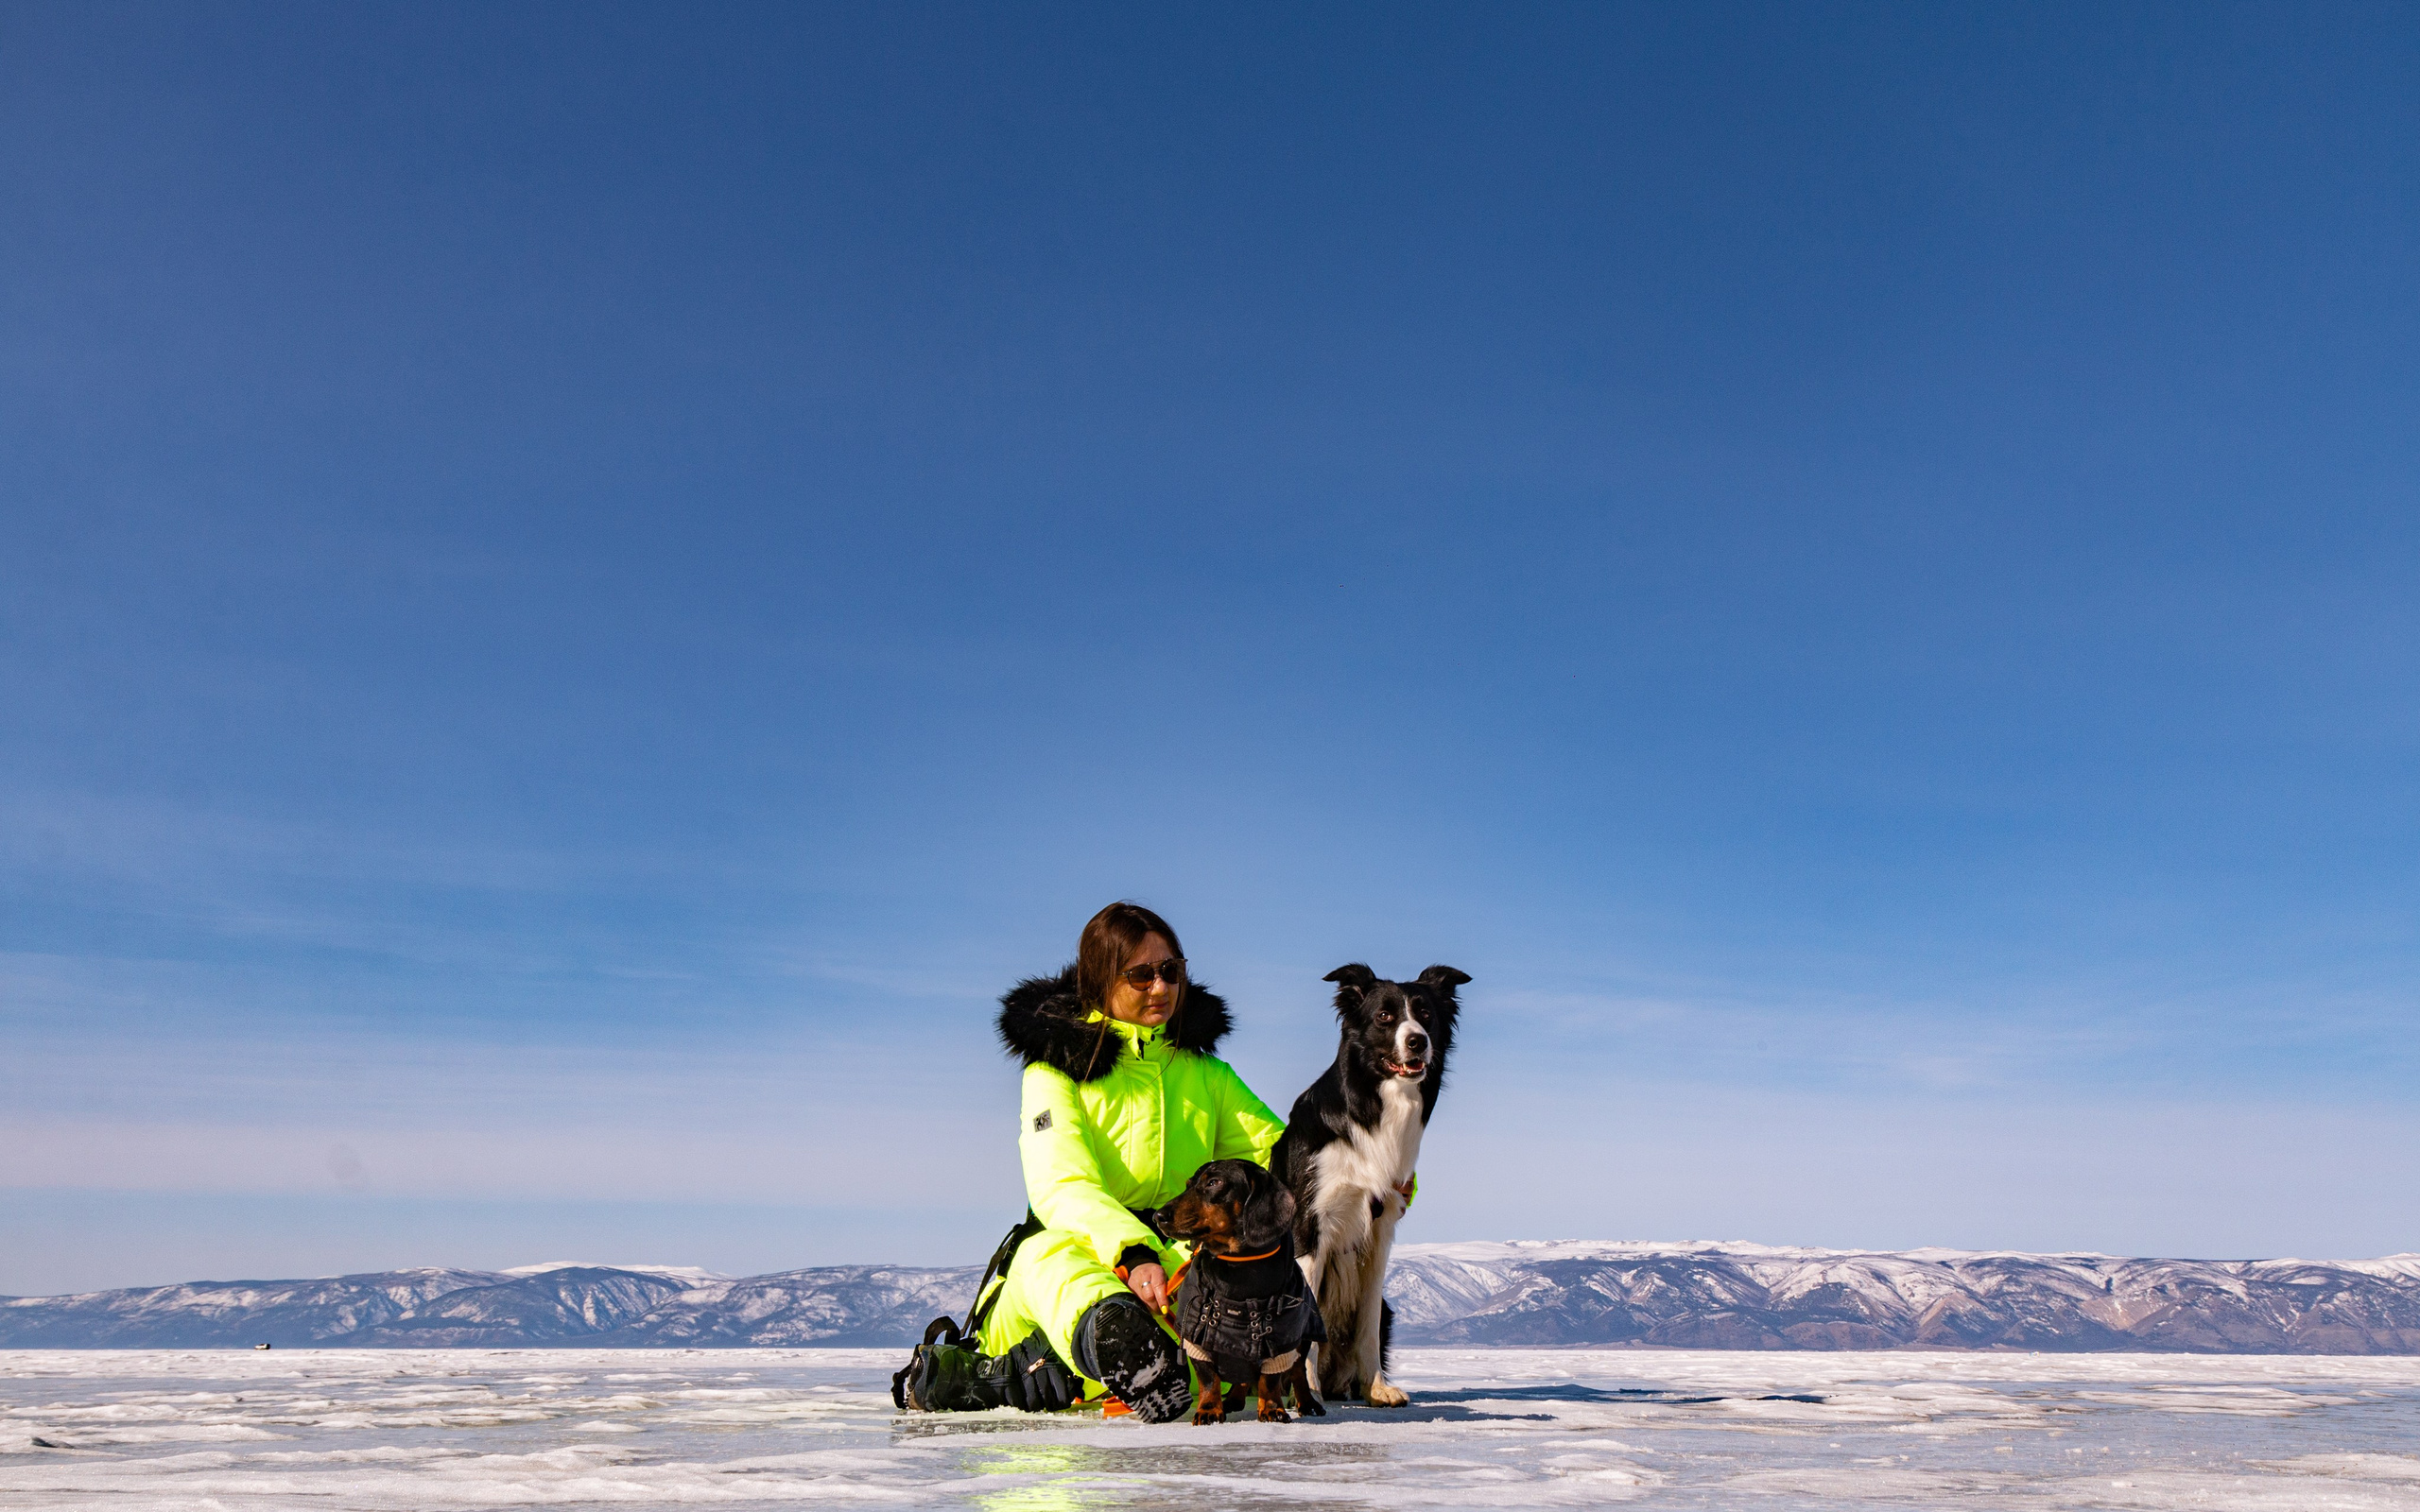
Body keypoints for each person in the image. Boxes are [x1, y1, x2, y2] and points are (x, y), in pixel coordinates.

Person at [975, 901, 1286, 1422]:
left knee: (1215, 1319)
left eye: (1171, 971)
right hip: (1068, 1263)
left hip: (1168, 1261)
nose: (1160, 988)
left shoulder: (1209, 1075)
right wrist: (1132, 1250)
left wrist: (1371, 1170)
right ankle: (1111, 1337)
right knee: (1048, 1256)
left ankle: (1114, 1368)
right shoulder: (1055, 1073)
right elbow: (1062, 1184)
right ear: (1100, 980)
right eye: (1140, 975)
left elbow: (1279, 1158)